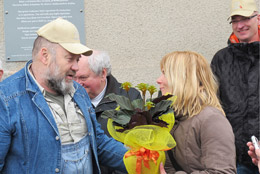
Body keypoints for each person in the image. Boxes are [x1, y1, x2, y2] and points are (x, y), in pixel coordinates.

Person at [0, 17, 127, 174]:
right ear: (45, 56)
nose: (76, 67)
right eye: (70, 58)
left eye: (77, 59)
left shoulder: (78, 91)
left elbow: (97, 142)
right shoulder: (6, 99)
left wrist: (140, 161)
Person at [157, 51, 236, 173]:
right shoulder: (172, 118)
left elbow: (222, 172)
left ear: (183, 79)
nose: (158, 80)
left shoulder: (211, 120)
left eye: (165, 74)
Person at [211, 0, 260, 173]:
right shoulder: (221, 59)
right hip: (234, 157)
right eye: (235, 20)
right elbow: (212, 104)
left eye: (245, 19)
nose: (240, 25)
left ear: (258, 18)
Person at [74, 51, 141, 174]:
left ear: (103, 74)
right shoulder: (69, 99)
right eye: (74, 77)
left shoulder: (129, 98)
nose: (77, 83)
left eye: (83, 77)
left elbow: (136, 146)